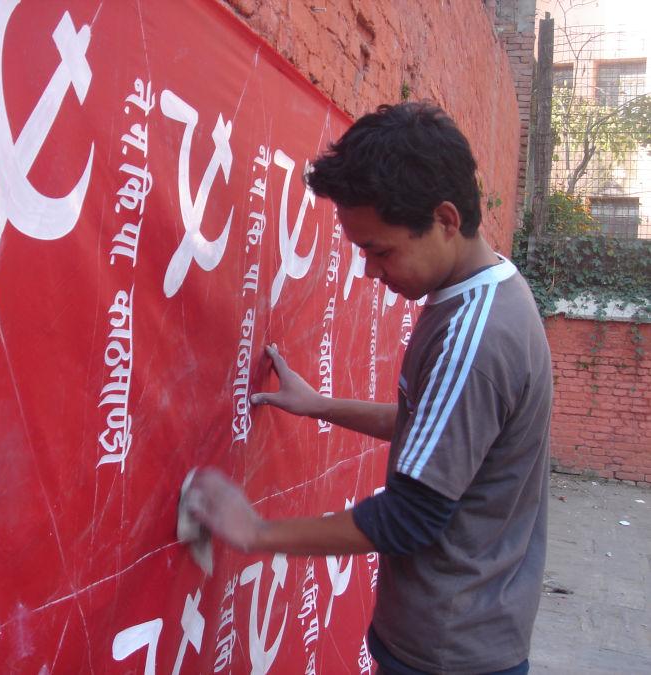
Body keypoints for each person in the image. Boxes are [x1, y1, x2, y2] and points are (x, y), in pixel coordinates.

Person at [183, 102, 552, 675]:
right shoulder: (484, 288)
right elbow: (440, 427)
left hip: (448, 653)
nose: (371, 273)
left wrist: (255, 532)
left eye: (380, 250)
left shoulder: (474, 339)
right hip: (462, 632)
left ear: (446, 219)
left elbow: (409, 517)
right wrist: (319, 406)